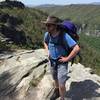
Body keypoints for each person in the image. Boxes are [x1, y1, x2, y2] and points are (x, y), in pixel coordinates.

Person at [42, 16, 80, 100]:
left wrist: (67, 59)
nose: (47, 27)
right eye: (46, 25)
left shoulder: (64, 35)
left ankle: (62, 98)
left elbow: (76, 48)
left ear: (55, 26)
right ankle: (57, 91)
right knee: (55, 78)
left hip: (62, 63)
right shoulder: (47, 34)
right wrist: (47, 51)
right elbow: (45, 42)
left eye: (49, 25)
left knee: (62, 84)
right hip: (52, 61)